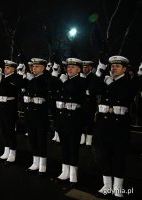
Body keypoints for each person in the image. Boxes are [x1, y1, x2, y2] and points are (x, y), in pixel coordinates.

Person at [94, 56, 142, 198]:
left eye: (117, 66)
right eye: (112, 66)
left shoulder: (129, 82)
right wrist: (99, 72)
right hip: (104, 125)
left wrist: (109, 83)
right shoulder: (106, 80)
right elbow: (91, 89)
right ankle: (107, 185)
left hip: (119, 126)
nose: (113, 68)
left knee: (118, 157)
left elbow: (124, 94)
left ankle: (118, 188)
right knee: (104, 157)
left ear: (124, 69)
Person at [55, 58, 86, 187]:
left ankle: (73, 174)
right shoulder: (65, 81)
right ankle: (65, 171)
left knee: (73, 147)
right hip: (63, 118)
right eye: (68, 67)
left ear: (79, 69)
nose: (69, 69)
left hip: (74, 119)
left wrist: (64, 83)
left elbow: (75, 91)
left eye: (73, 67)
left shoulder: (81, 81)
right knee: (64, 147)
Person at [24, 58, 49, 175]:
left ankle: (42, 165)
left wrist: (32, 81)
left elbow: (41, 89)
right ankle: (35, 162)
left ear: (43, 68)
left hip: (40, 114)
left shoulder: (45, 79)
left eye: (37, 66)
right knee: (33, 139)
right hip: (31, 113)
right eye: (33, 67)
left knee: (41, 140)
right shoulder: (33, 79)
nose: (34, 68)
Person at [0, 60, 23, 164]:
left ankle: (12, 153)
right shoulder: (4, 78)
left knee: (10, 132)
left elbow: (15, 88)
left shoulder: (15, 78)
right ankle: (6, 150)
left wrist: (1, 84)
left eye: (8, 68)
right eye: (5, 67)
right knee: (4, 131)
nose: (5, 69)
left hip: (9, 108)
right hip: (2, 107)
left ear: (13, 69)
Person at [80, 61, 98, 146]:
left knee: (89, 122)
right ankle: (83, 139)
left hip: (90, 103)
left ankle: (89, 140)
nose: (84, 69)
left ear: (90, 68)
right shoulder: (82, 77)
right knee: (82, 122)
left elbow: (93, 90)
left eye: (86, 67)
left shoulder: (93, 77)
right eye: (83, 67)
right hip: (82, 103)